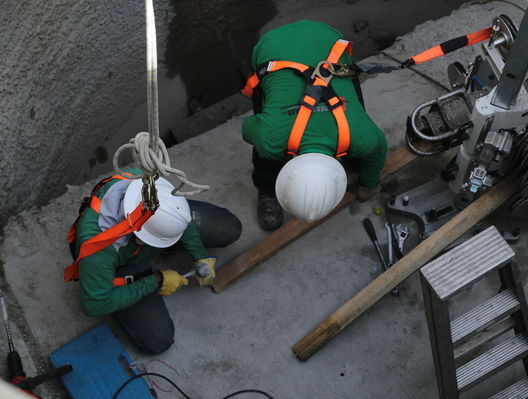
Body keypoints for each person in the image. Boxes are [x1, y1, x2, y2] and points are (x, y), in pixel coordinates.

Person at [65, 169, 241, 354]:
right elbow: (95, 304)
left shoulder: (145, 184)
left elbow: (173, 216)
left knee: (229, 228)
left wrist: (199, 255)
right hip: (124, 263)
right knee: (159, 340)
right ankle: (154, 255)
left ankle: (166, 240)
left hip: (145, 234)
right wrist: (156, 281)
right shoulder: (99, 251)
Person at [242, 20, 388, 231]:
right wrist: (369, 185)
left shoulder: (362, 137)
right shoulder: (270, 140)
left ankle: (268, 186)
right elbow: (249, 128)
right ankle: (267, 190)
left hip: (324, 41)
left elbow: (379, 149)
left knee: (269, 137)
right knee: (266, 147)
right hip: (286, 46)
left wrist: (370, 184)